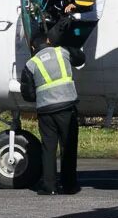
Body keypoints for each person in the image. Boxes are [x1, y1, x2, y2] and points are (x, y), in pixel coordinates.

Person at [22, 27, 81, 195]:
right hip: (67, 108)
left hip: (46, 111)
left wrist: (44, 95)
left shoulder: (31, 64)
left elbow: (28, 94)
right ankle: (69, 186)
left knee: (48, 148)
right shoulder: (62, 52)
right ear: (48, 41)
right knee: (68, 147)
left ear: (33, 48)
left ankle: (49, 186)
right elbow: (80, 58)